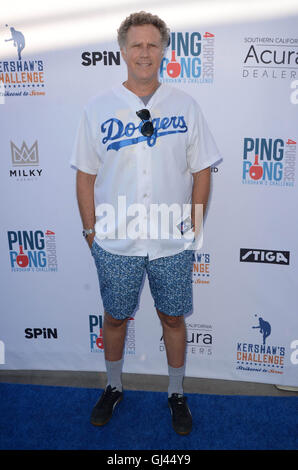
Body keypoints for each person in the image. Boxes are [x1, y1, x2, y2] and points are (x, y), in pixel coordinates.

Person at [71, 11, 220, 436]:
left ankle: (175, 393)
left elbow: (203, 169)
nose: (144, 52)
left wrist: (192, 225)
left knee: (172, 318)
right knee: (116, 318)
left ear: (163, 50)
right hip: (116, 239)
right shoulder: (98, 107)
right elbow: (85, 174)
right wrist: (90, 232)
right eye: (136, 45)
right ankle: (114, 386)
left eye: (152, 45)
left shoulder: (184, 104)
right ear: (122, 50)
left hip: (171, 240)